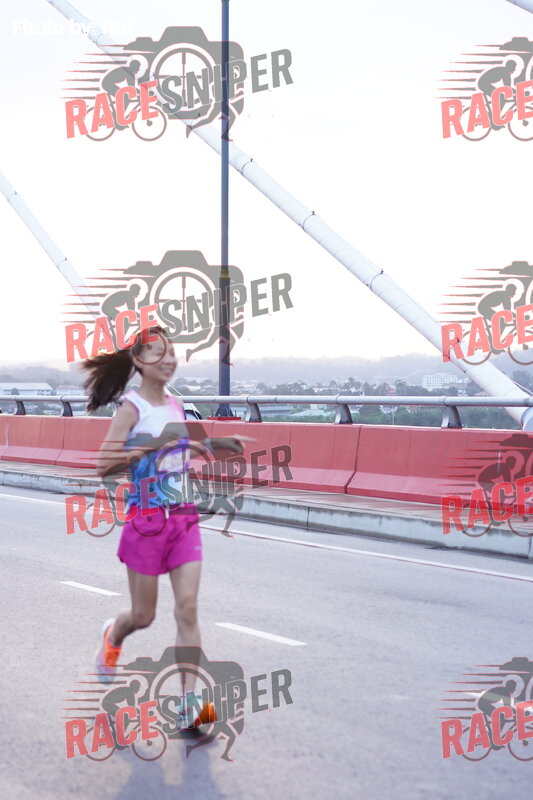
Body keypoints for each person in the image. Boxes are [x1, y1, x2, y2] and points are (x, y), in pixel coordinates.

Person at [82, 325, 245, 728]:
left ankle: (190, 703)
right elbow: (104, 465)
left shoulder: (176, 403)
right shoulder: (131, 408)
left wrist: (217, 444)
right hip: (146, 521)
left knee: (188, 608)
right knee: (143, 616)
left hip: (183, 516)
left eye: (171, 353)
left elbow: (181, 448)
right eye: (158, 353)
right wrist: (147, 449)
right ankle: (113, 636)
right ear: (139, 361)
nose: (169, 360)